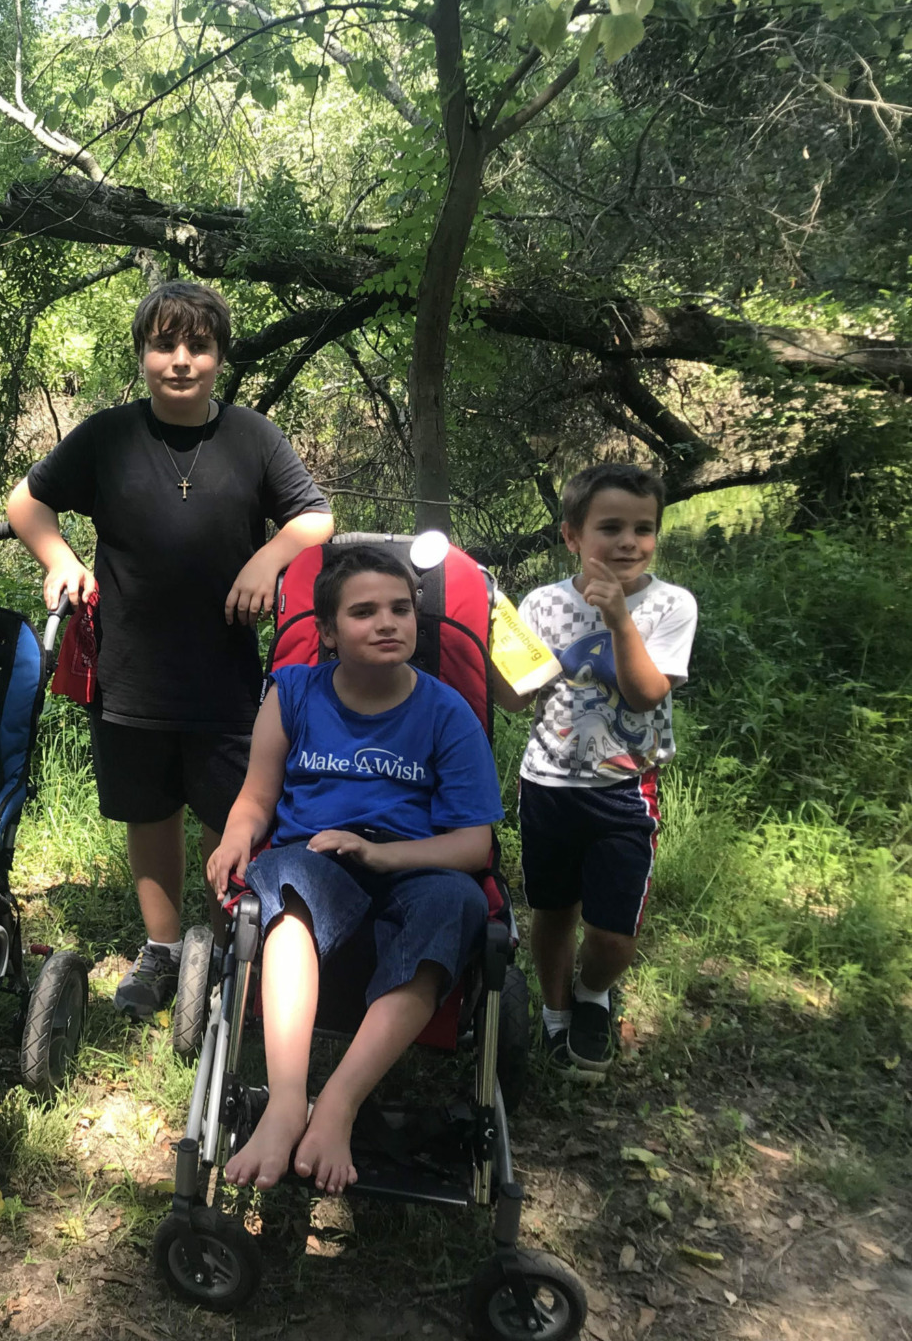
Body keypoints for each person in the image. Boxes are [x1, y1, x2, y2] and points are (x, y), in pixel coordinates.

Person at [6, 281, 334, 1019]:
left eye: (198, 346)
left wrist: (268, 559)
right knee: (148, 812)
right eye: (164, 345)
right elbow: (26, 502)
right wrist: (60, 560)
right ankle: (161, 950)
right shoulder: (109, 435)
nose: (181, 361)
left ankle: (224, 950)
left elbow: (315, 517)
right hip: (129, 671)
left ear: (220, 356)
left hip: (225, 674)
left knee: (231, 814)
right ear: (142, 354)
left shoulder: (252, 437)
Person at [206, 546, 504, 1193]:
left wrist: (381, 855)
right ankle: (288, 1103)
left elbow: (472, 846)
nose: (388, 622)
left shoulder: (447, 712)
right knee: (287, 889)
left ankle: (338, 1102)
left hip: (417, 863)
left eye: (401, 609)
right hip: (316, 857)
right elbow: (257, 797)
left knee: (455, 906)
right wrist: (234, 837)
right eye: (364, 612)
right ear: (328, 632)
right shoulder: (293, 694)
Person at [494, 463, 697, 1080]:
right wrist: (488, 637)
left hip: (624, 791)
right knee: (553, 911)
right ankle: (557, 1013)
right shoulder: (543, 604)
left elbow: (645, 694)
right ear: (572, 536)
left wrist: (618, 621)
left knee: (613, 936)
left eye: (644, 528)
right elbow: (514, 700)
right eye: (611, 528)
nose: (630, 542)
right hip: (548, 785)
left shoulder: (670, 605)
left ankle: (592, 993)